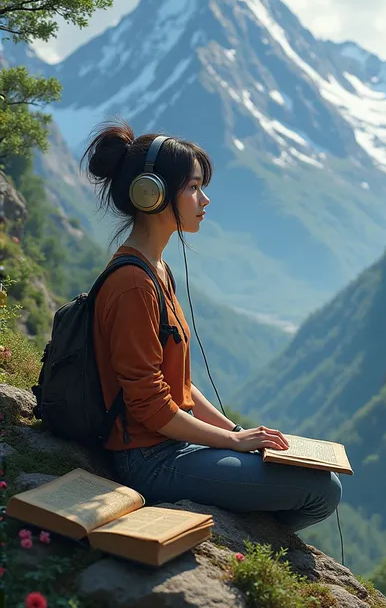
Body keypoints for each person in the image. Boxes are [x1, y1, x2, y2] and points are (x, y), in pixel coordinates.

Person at [81, 120, 342, 532]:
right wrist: (232, 442)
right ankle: (248, 540)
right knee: (322, 492)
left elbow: (177, 387)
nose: (204, 199)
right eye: (193, 187)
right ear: (154, 194)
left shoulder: (156, 269)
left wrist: (236, 431)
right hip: (150, 460)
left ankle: (242, 522)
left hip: (173, 444)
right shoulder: (133, 283)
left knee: (311, 477)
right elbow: (148, 404)